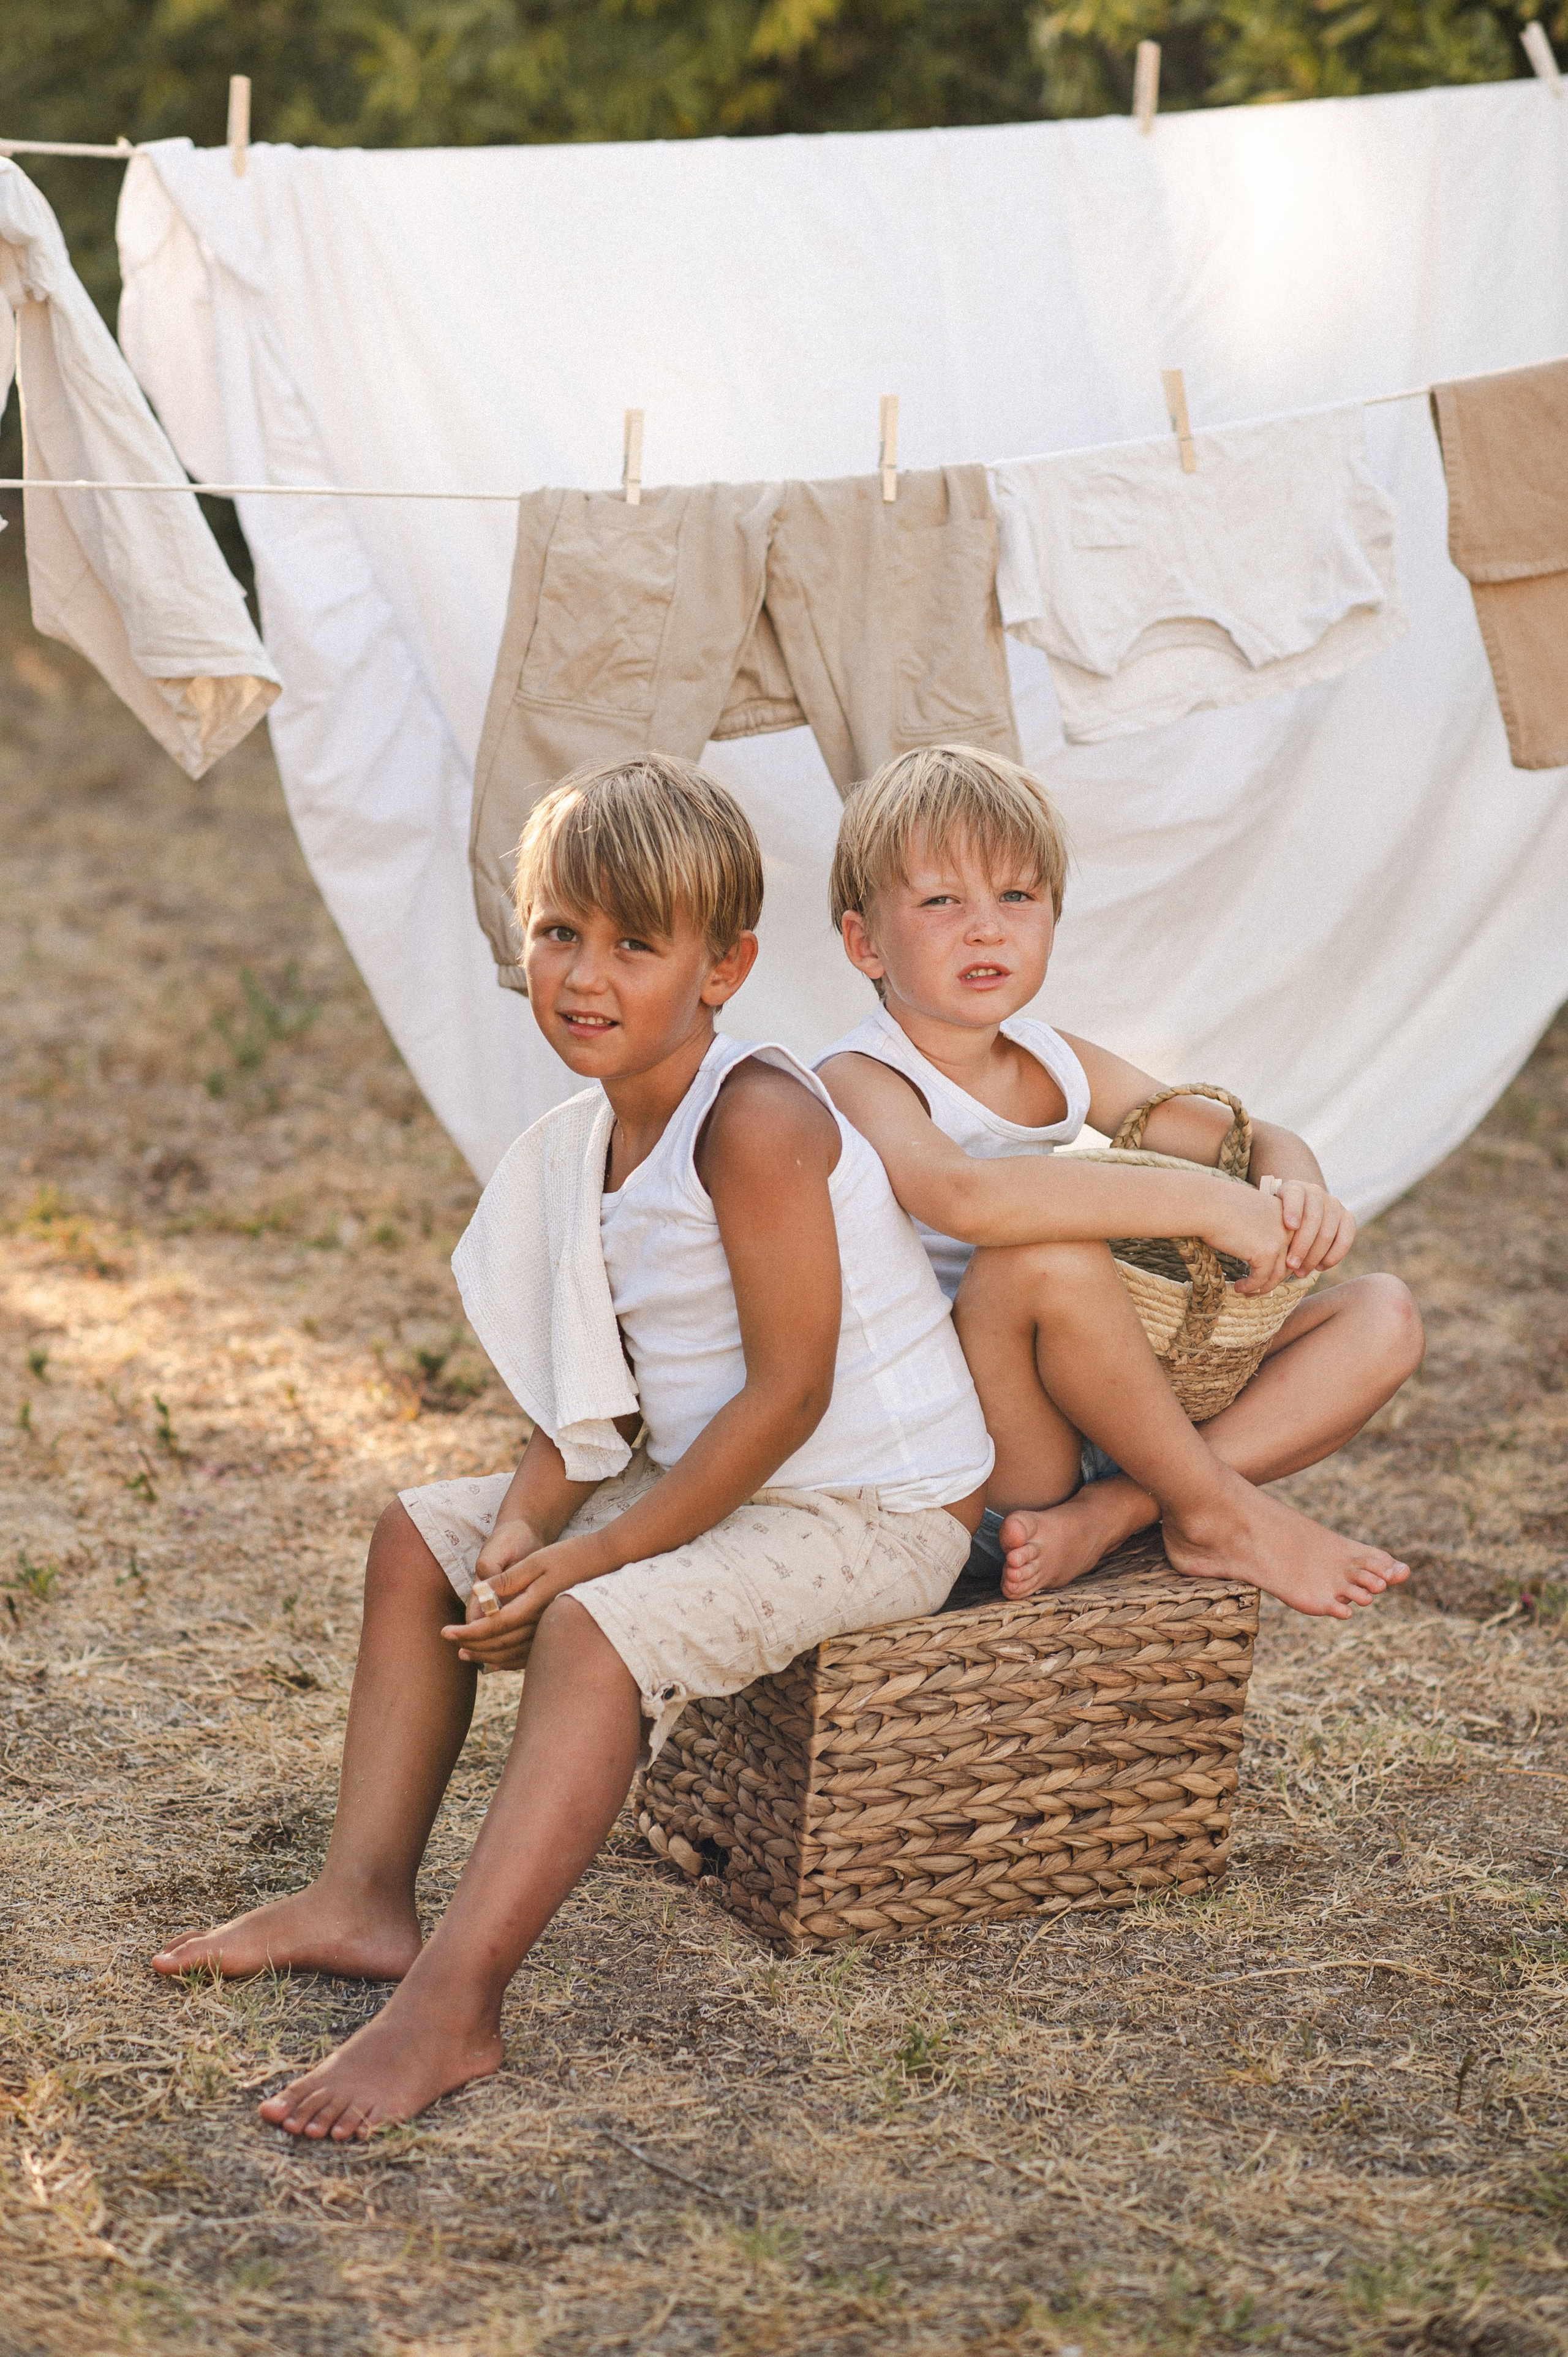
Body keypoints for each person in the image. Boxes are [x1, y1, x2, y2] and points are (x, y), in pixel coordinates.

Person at [152, 755, 995, 2139]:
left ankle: (452, 2004)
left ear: (722, 967)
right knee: (415, 1538)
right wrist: (522, 1527)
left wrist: (592, 1554)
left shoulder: (756, 1119)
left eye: (633, 942)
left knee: (593, 1626)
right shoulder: (591, 1140)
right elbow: (596, 1390)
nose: (584, 975)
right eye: (558, 932)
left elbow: (788, 1395)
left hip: (870, 1499)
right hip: (720, 1466)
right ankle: (361, 1894)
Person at [815, 744, 1424, 1616]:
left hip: (1108, 1427)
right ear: (864, 942)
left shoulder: (1057, 1060)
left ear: (1054, 917)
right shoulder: (859, 1079)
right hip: (974, 1463)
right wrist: (1212, 1204)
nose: (986, 927)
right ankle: (1216, 1509)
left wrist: (1297, 1191)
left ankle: (1129, 1509)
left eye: (1017, 896)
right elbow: (967, 1199)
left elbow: (1260, 1141)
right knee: (1039, 1257)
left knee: (1384, 1315)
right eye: (941, 900)